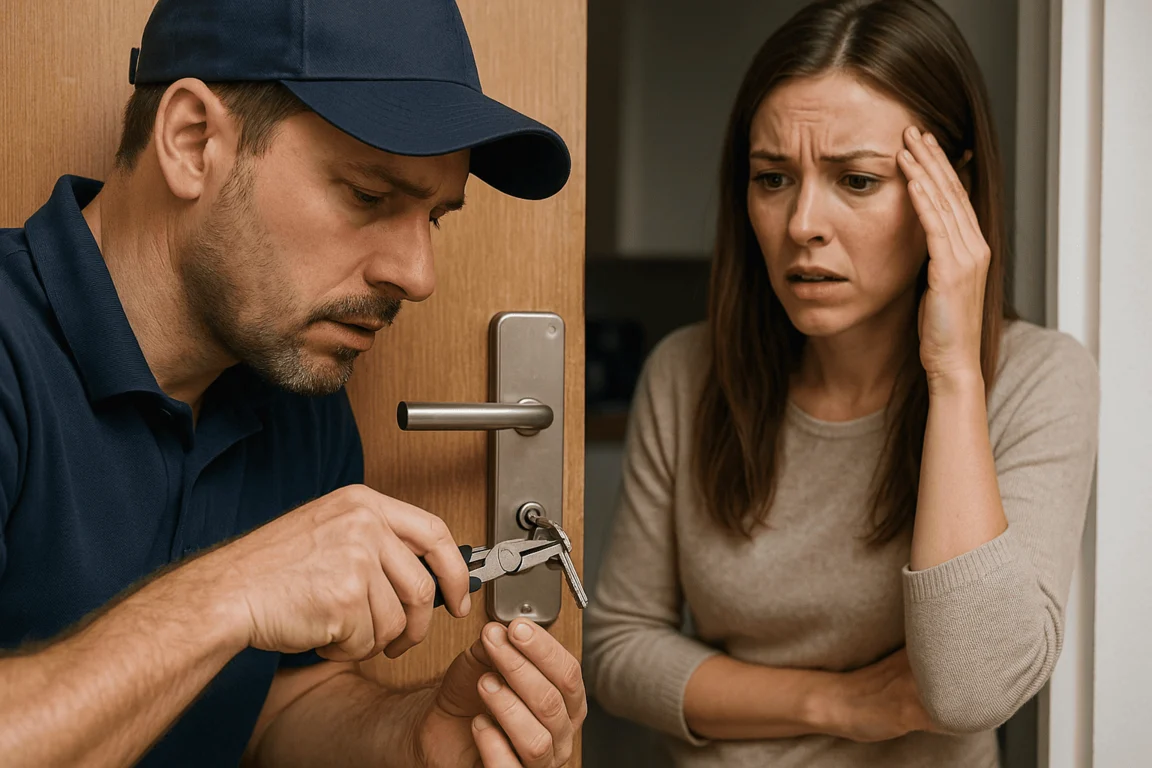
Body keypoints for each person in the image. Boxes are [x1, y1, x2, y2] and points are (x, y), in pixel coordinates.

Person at [0, 1, 585, 766]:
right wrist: (228, 592)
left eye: (434, 217)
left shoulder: (295, 380)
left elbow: (278, 703)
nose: (417, 275)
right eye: (368, 196)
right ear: (192, 141)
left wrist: (419, 738)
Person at [583, 0, 1099, 766]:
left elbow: (970, 691)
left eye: (856, 180)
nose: (802, 224)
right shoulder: (687, 373)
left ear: (949, 192)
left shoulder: (1037, 380)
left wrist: (954, 376)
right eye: (772, 178)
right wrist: (845, 704)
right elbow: (619, 651)